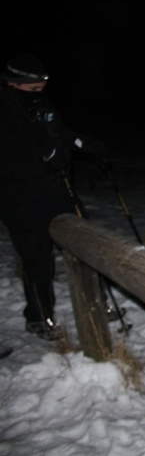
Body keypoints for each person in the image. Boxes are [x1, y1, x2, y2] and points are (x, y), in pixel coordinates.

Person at [0, 53, 108, 340]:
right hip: (21, 201)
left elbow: (59, 132)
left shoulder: (40, 102)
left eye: (43, 86)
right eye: (33, 87)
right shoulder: (5, 110)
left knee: (87, 242)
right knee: (37, 261)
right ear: (13, 83)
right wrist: (41, 161)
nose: (40, 91)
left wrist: (86, 144)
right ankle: (39, 317)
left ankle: (99, 303)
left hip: (58, 190)